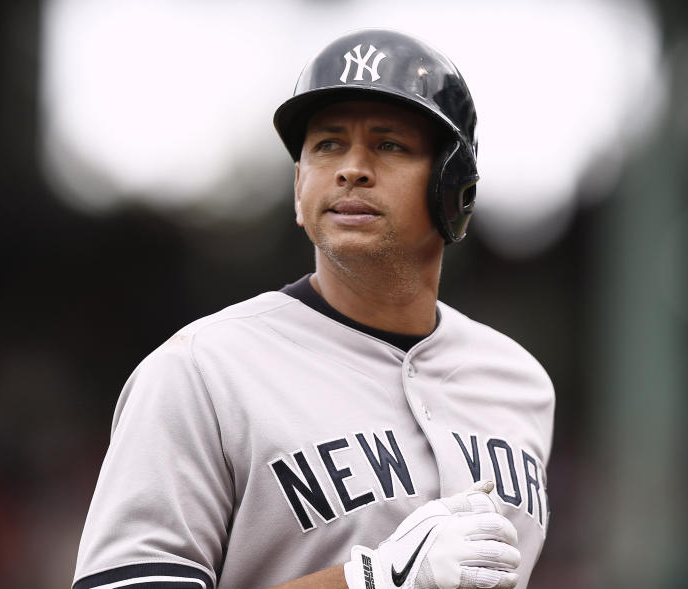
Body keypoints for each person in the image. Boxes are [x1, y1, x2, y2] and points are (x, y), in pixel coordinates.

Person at [72, 29, 554, 589]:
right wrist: (373, 579)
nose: (352, 168)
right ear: (300, 185)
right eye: (327, 145)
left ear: (455, 188)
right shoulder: (201, 370)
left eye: (389, 144)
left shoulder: (520, 383)